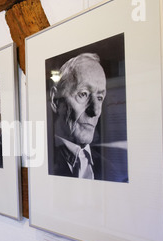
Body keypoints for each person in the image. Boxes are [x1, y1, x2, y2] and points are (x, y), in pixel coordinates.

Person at [49, 53, 127, 182]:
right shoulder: (44, 158)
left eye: (100, 98)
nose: (95, 111)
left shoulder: (110, 169)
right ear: (55, 100)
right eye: (83, 94)